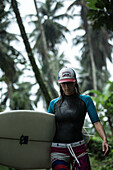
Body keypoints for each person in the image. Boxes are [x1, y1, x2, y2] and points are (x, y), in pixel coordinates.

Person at [48, 67, 110, 170]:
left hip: (79, 148)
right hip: (58, 150)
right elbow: (48, 127)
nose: (67, 87)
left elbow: (96, 122)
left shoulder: (86, 100)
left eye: (69, 83)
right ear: (60, 84)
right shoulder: (53, 104)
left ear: (75, 82)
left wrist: (104, 139)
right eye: (64, 84)